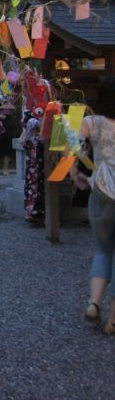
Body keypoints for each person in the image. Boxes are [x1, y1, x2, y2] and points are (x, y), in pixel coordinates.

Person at [74, 76, 115, 335]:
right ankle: (113, 320)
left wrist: (76, 174)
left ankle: (94, 302)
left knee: (103, 250)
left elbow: (71, 146)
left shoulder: (91, 122)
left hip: (100, 189)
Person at [21, 108, 44, 225]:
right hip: (34, 154)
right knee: (34, 183)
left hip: (41, 151)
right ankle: (33, 211)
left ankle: (38, 211)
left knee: (39, 184)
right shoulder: (30, 114)